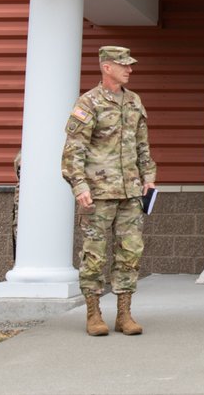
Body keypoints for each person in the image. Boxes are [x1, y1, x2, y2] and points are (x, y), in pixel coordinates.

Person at [62, 46, 157, 336]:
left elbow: (142, 144)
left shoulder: (133, 101)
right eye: (123, 65)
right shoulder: (88, 103)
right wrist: (79, 185)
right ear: (106, 67)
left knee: (130, 252)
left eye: (130, 65)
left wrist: (148, 177)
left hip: (130, 192)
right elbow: (73, 150)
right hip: (98, 193)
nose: (129, 70)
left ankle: (124, 314)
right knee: (94, 254)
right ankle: (93, 313)